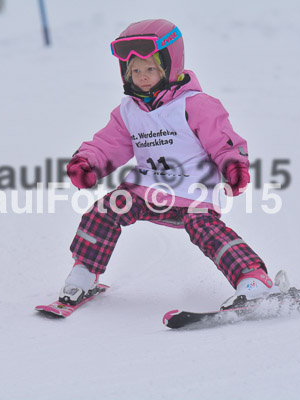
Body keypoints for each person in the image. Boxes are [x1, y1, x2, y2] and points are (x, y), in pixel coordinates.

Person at [59, 19, 284, 309]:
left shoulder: (196, 104)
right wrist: (88, 163)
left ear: (170, 66)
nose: (142, 77)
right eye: (135, 70)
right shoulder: (128, 111)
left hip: (193, 190)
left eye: (150, 68)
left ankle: (253, 279)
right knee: (105, 209)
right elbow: (109, 143)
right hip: (146, 189)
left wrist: (233, 166)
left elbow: (223, 140)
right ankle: (84, 272)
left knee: (205, 228)